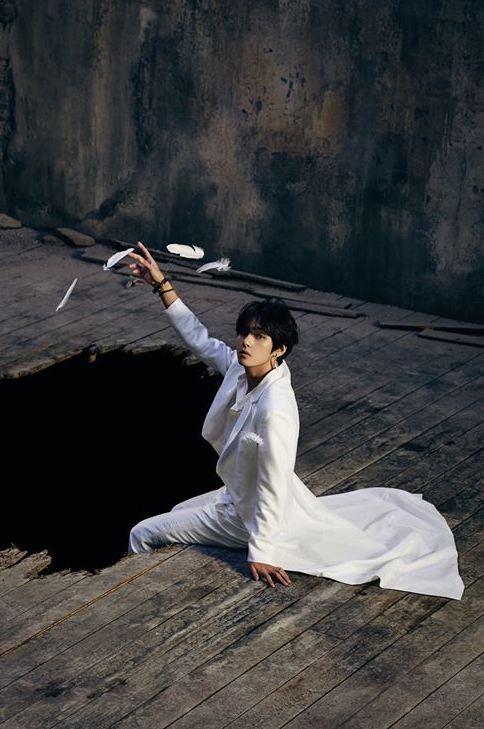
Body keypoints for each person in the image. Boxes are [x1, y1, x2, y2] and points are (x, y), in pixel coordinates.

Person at [125, 241, 465, 601]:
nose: (246, 342)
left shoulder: (276, 408)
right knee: (178, 510)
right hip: (236, 496)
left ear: (279, 349)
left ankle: (135, 599)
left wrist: (262, 551)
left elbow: (273, 482)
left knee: (141, 532)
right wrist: (161, 284)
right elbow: (200, 340)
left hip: (247, 517)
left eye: (259, 337)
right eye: (244, 332)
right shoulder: (241, 369)